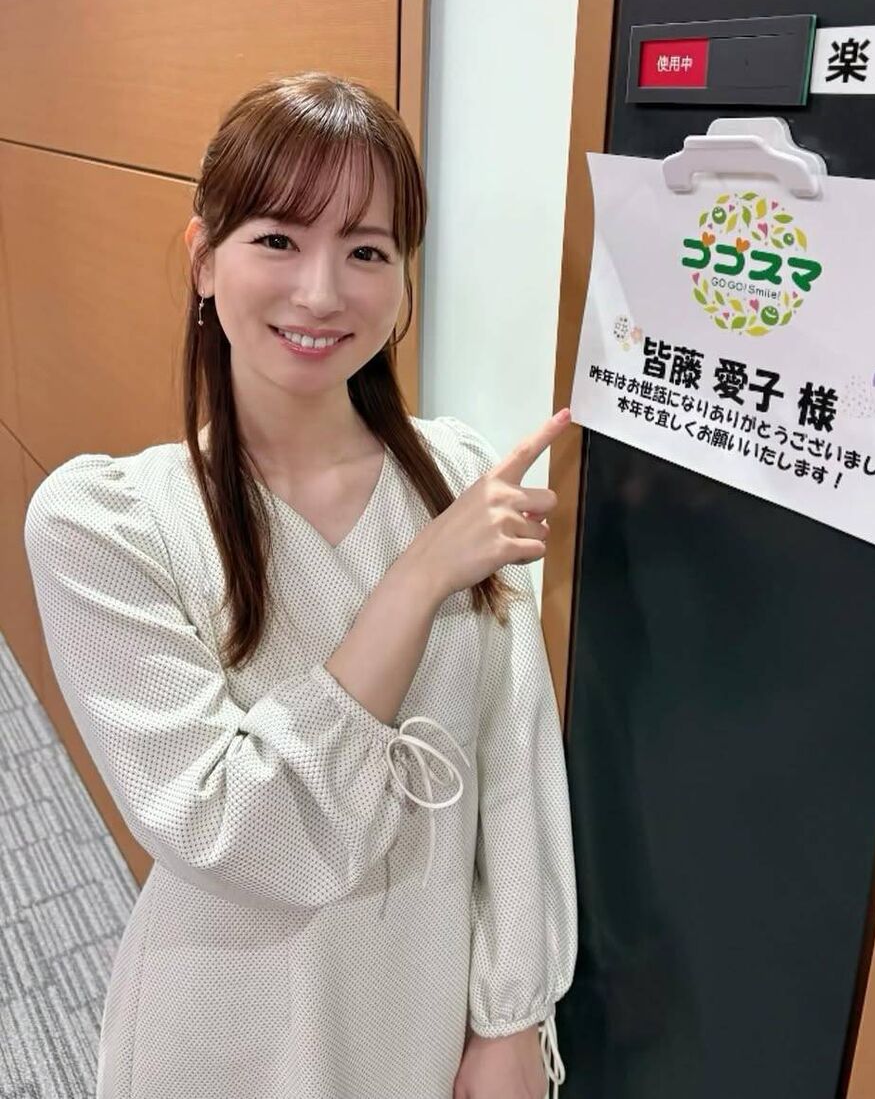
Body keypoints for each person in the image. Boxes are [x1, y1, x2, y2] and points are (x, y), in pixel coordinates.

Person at [23, 72, 578, 1098]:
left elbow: (511, 753)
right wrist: (417, 578)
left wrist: (512, 1011)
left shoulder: (457, 473)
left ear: (403, 280)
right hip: (231, 1021)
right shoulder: (107, 524)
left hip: (421, 999)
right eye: (278, 238)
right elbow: (232, 828)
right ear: (203, 259)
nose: (322, 292)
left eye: (366, 251)